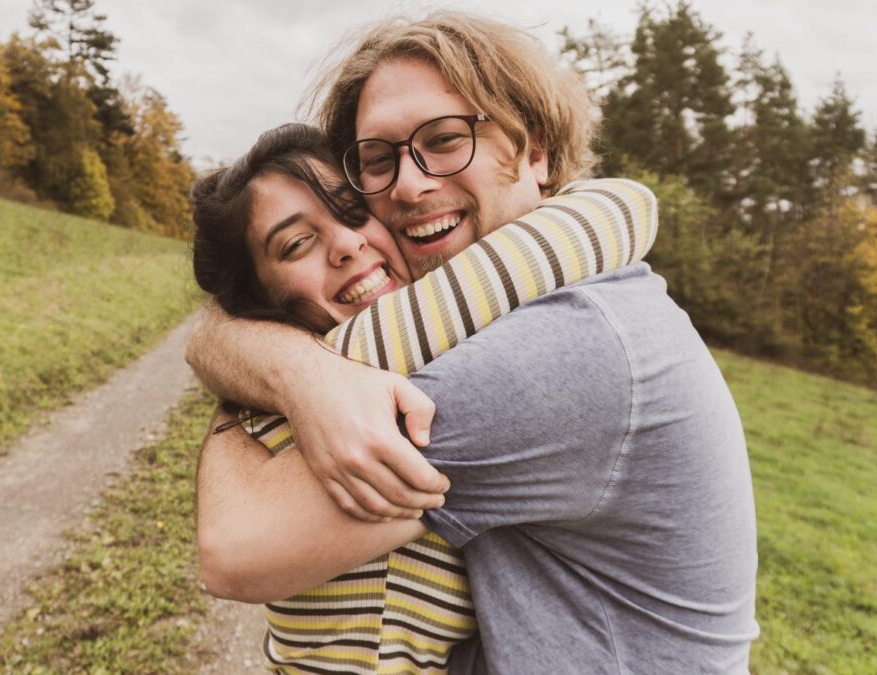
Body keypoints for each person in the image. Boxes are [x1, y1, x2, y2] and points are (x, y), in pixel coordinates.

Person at [193, 12, 759, 673]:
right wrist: (281, 363)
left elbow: (239, 544)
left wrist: (275, 369)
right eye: (379, 159)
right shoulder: (502, 313)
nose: (409, 183)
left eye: (445, 139)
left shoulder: (564, 348)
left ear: (536, 152)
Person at [192, 123, 656, 672]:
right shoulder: (387, 376)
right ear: (260, 296)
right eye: (296, 245)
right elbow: (623, 210)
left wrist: (240, 357)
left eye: (352, 210)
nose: (346, 244)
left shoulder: (291, 381)